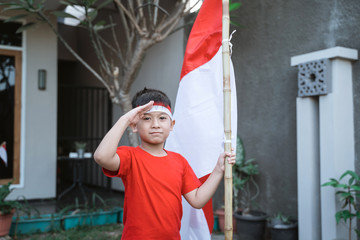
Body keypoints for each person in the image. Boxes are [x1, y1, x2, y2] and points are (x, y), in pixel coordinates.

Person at [94, 88, 235, 239]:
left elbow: (197, 199)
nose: (155, 124)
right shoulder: (130, 157)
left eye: (162, 118)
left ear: (172, 124)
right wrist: (126, 119)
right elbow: (102, 157)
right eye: (147, 118)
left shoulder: (179, 161)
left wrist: (219, 170)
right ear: (134, 125)